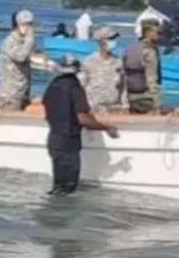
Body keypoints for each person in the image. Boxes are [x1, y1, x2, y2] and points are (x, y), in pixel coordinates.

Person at [41, 53, 120, 195]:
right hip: (69, 142)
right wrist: (106, 127)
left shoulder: (52, 86)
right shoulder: (75, 88)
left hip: (54, 139)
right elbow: (83, 118)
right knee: (68, 189)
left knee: (58, 187)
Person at [0, 9, 37, 110]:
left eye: (30, 24)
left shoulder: (26, 42)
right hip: (11, 94)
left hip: (23, 92)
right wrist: (29, 40)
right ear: (17, 25)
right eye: (25, 24)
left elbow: (35, 58)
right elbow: (20, 56)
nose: (29, 28)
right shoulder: (9, 42)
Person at [79, 26, 125, 112]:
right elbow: (81, 86)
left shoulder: (118, 62)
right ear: (101, 41)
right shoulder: (88, 62)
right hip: (93, 108)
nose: (113, 41)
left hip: (114, 108)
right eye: (110, 39)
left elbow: (123, 87)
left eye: (114, 38)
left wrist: (125, 106)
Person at [124, 20, 165, 115]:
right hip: (143, 97)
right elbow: (151, 80)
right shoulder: (149, 52)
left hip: (128, 95)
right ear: (148, 33)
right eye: (158, 33)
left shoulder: (130, 48)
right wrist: (158, 104)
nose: (160, 36)